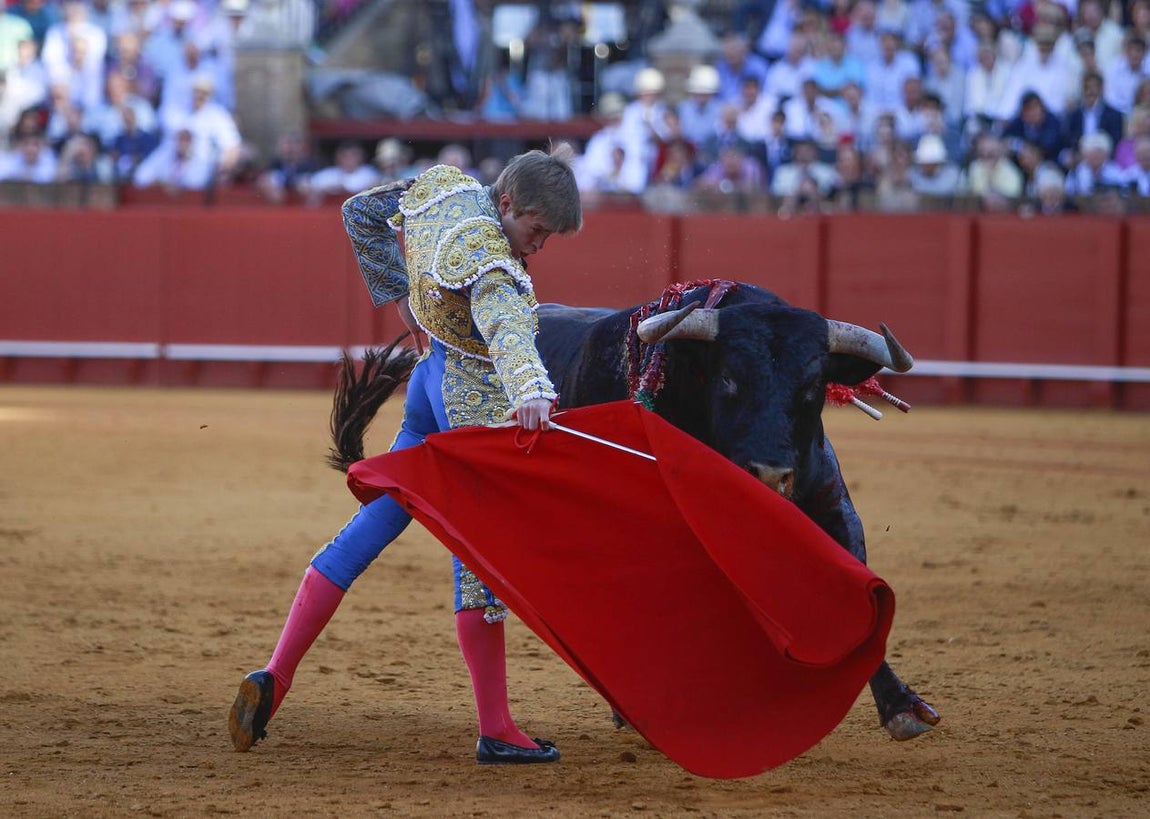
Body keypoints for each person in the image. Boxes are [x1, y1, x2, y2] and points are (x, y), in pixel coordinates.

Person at [229, 146, 583, 766]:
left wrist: (403, 302)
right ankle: (496, 727)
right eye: (537, 230)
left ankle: (275, 674)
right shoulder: (492, 261)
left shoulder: (448, 188)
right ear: (508, 204)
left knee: (375, 525)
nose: (539, 247)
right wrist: (531, 390)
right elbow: (506, 328)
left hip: (425, 381)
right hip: (466, 402)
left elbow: (361, 212)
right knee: (482, 559)